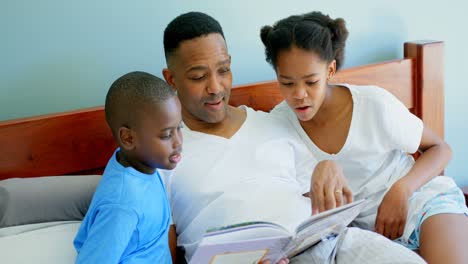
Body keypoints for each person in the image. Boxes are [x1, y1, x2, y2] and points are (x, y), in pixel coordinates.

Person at [161, 11, 425, 264]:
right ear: (171, 79)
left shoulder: (273, 123)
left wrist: (328, 168)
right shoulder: (159, 156)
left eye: (223, 70)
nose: (215, 87)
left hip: (332, 243)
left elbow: (324, 200)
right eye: (198, 76)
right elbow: (161, 253)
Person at [261, 11, 468, 263]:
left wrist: (401, 190)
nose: (299, 95)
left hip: (420, 202)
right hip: (366, 236)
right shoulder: (278, 125)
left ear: (330, 70)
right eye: (287, 83)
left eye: (311, 82)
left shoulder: (373, 104)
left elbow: (440, 148)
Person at [73, 71, 183, 263]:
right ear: (128, 138)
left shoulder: (138, 162)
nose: (178, 142)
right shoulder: (123, 205)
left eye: (179, 128)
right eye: (166, 135)